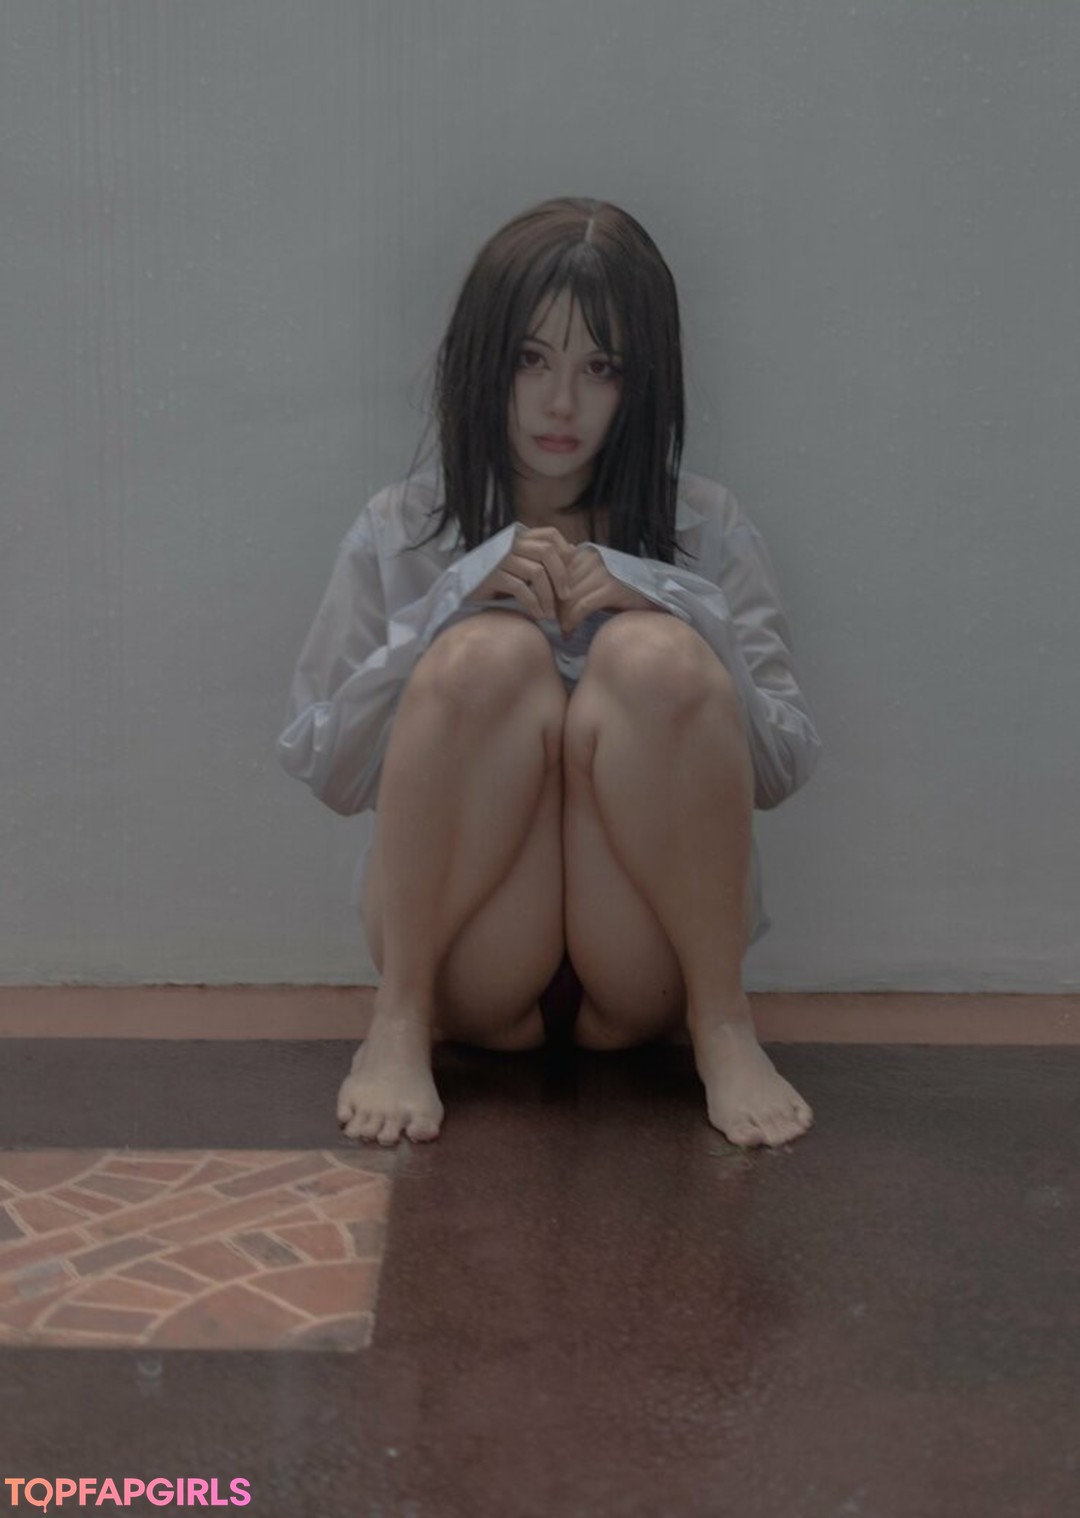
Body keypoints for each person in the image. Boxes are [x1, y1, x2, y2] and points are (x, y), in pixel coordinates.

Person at [275, 196, 822, 1150]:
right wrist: (448, 604)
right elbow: (328, 767)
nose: (560, 403)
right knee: (489, 653)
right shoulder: (404, 528)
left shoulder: (704, 527)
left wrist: (670, 600)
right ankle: (397, 1021)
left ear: (642, 384)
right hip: (470, 957)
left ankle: (724, 1027)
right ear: (483, 362)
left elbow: (778, 767)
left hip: (651, 960)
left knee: (654, 655)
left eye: (599, 368)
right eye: (531, 360)